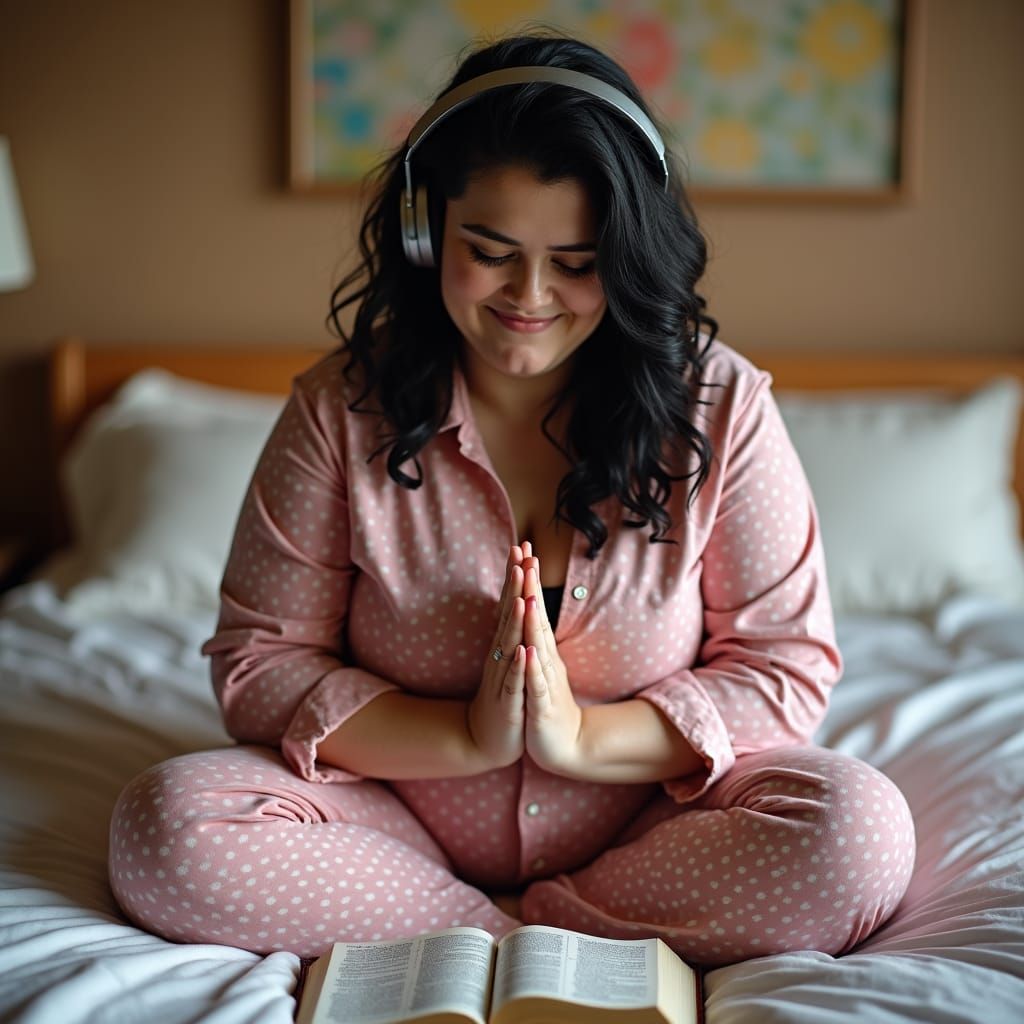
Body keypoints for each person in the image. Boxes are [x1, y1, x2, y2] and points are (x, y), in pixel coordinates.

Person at [108, 33, 915, 966]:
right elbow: (258, 665)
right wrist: (465, 737)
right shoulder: (339, 409)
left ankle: (546, 923)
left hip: (657, 832)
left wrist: (577, 739)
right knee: (165, 826)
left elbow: (784, 670)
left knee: (858, 832)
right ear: (425, 231)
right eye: (489, 251)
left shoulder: (720, 408)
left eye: (577, 262)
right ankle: (500, 935)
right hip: (392, 827)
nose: (530, 297)